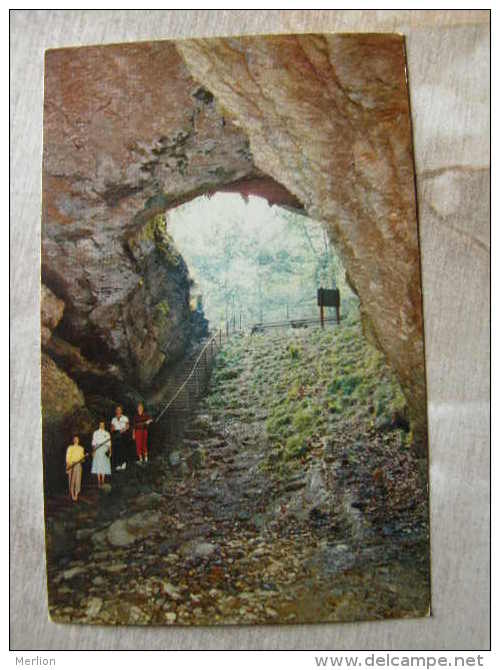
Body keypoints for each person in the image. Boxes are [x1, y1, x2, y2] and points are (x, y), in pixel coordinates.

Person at [91, 420, 111, 487]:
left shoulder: (107, 433)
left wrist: (110, 451)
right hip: (98, 449)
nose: (102, 426)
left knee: (104, 465)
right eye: (100, 424)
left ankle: (103, 480)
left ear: (104, 425)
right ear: (99, 425)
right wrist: (93, 451)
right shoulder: (95, 433)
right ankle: (99, 481)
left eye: (103, 425)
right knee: (98, 465)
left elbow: (109, 444)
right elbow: (93, 443)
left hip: (105, 449)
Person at [66, 435, 85, 502]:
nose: (76, 440)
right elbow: (67, 457)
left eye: (77, 439)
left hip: (78, 465)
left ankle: (76, 494)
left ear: (79, 440)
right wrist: (68, 465)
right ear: (73, 440)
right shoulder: (70, 447)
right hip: (71, 464)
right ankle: (72, 493)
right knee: (71, 479)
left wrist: (84, 457)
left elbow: (83, 459)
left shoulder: (81, 448)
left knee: (78, 479)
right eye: (75, 439)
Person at [110, 405, 129, 471]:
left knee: (123, 448)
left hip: (123, 433)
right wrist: (112, 429)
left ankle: (123, 463)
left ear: (121, 410)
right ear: (115, 411)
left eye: (119, 409)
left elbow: (127, 426)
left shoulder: (125, 418)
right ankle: (117, 464)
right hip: (116, 433)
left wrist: (123, 430)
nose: (118, 411)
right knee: (116, 449)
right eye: (117, 409)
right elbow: (112, 428)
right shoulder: (113, 419)